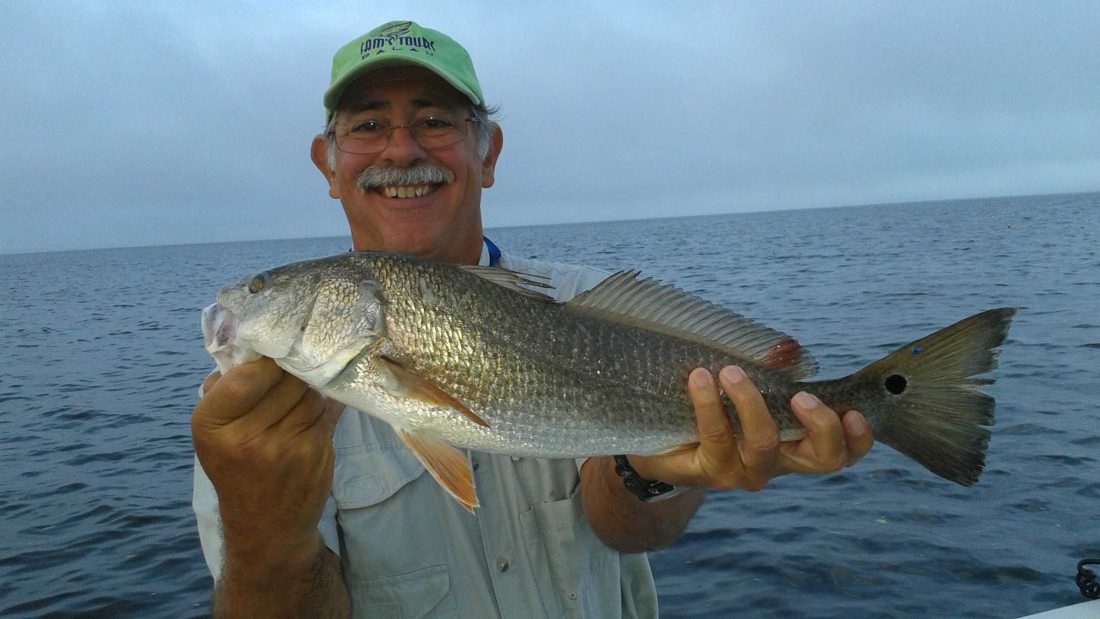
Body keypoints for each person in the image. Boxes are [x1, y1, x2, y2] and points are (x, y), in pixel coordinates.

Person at [191, 20, 873, 618]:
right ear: (328, 163)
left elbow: (624, 526)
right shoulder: (252, 415)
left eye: (434, 120)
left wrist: (653, 469)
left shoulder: (596, 305)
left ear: (487, 153)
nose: (401, 150)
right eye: (367, 125)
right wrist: (267, 534)